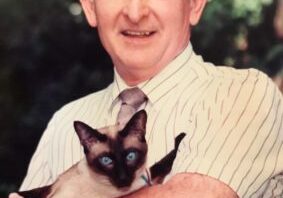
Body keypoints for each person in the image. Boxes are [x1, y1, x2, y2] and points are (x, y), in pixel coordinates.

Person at [9, 0, 283, 197]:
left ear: (195, 5)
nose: (135, 12)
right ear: (90, 7)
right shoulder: (62, 123)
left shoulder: (243, 92)